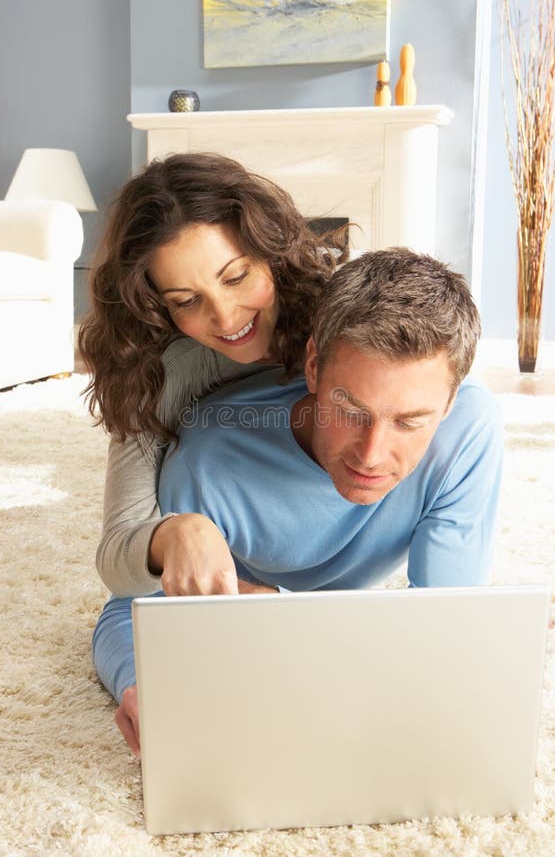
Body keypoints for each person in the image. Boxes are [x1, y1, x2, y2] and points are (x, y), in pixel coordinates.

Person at [92, 248, 504, 755]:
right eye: (349, 408)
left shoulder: (469, 428)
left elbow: (446, 627)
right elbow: (129, 612)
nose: (372, 455)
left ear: (450, 400)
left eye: (409, 422)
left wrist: (280, 610)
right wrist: (141, 684)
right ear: (313, 367)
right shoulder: (208, 463)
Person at [78, 151, 345, 598]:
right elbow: (117, 550)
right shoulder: (162, 373)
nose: (224, 319)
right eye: (186, 300)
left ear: (271, 251)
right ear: (155, 305)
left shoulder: (343, 322)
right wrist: (172, 535)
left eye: (236, 277)